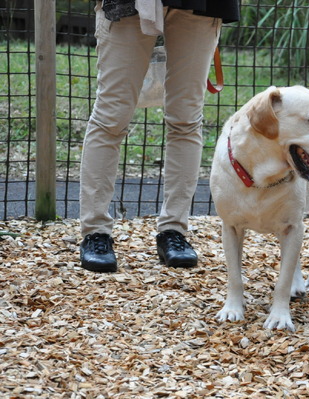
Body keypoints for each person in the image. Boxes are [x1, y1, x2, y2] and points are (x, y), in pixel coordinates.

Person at [79, 0, 239, 272]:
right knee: (110, 119)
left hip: (200, 6)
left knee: (186, 121)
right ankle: (95, 232)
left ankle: (174, 231)